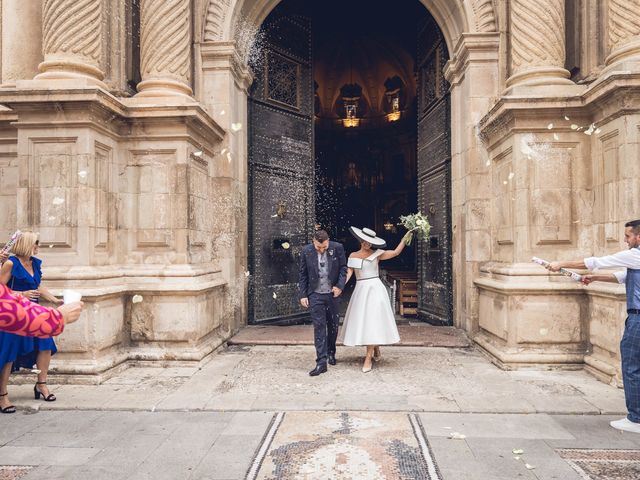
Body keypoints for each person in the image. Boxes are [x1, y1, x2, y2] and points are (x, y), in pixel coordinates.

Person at [548, 219, 640, 433]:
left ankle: (636, 418)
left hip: (638, 318)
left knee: (632, 366)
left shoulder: (635, 255)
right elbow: (623, 276)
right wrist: (594, 278)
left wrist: (560, 263)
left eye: (628, 236)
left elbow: (597, 261)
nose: (625, 240)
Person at [0, 232, 61, 412]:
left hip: (34, 312)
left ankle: (41, 384)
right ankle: (2, 395)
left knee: (46, 344)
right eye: (35, 243)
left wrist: (54, 300)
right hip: (14, 313)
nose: (37, 247)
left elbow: (38, 285)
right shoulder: (11, 263)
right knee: (9, 352)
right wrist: (21, 295)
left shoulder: (34, 263)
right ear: (26, 244)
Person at [341, 227, 410, 373]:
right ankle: (376, 348)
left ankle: (368, 357)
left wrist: (405, 237)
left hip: (375, 289)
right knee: (365, 322)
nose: (368, 244)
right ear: (361, 241)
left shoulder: (377, 254)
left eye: (371, 242)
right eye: (366, 241)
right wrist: (339, 287)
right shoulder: (353, 255)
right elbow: (349, 274)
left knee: (373, 321)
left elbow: (396, 252)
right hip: (361, 290)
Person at [299, 229, 347, 376]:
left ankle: (331, 351)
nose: (321, 250)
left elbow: (343, 269)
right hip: (315, 294)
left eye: (324, 247)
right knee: (319, 327)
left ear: (328, 241)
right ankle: (321, 362)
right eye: (318, 247)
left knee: (333, 326)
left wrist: (339, 286)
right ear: (313, 241)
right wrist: (303, 294)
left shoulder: (337, 247)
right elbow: (303, 274)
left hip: (332, 294)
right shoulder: (306, 251)